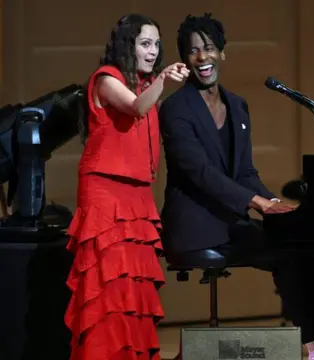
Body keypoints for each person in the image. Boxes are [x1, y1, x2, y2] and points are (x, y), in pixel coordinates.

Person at [159, 13, 314, 360]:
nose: (202, 58)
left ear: (222, 53)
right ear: (185, 59)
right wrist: (258, 203)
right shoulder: (175, 109)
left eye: (209, 48)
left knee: (308, 246)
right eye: (193, 51)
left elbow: (244, 171)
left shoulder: (238, 106)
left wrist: (273, 203)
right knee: (287, 254)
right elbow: (200, 172)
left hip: (230, 220)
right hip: (195, 225)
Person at [64, 14, 189, 360]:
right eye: (144, 43)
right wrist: (163, 79)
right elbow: (136, 108)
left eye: (156, 44)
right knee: (107, 287)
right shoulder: (107, 79)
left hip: (137, 196)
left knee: (133, 288)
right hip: (105, 192)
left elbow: (149, 109)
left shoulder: (146, 87)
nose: (152, 51)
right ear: (127, 45)